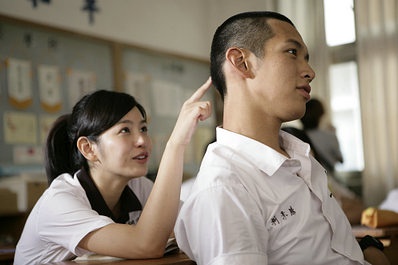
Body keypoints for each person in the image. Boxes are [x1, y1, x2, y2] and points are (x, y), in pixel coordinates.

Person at [174, 11, 390, 265]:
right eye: (291, 53)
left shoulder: (299, 158)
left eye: (306, 58)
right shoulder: (226, 188)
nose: (310, 71)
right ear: (241, 62)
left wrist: (369, 249)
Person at [14, 78, 212, 265]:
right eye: (125, 130)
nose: (142, 140)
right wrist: (176, 143)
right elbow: (146, 245)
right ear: (88, 148)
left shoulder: (137, 186)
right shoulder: (58, 202)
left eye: (143, 129)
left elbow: (194, 224)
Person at [300, 98, 343, 175]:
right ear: (321, 116)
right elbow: (341, 160)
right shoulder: (330, 136)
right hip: (327, 181)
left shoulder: (294, 136)